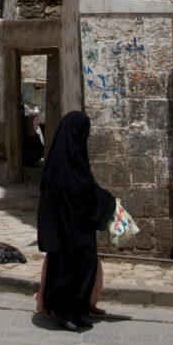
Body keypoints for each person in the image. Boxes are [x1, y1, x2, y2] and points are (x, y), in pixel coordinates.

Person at [36, 110, 115, 332]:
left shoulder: (72, 158)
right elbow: (77, 191)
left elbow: (85, 189)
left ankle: (75, 309)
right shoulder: (61, 166)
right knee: (68, 269)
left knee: (83, 265)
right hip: (65, 232)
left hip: (75, 230)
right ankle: (64, 312)